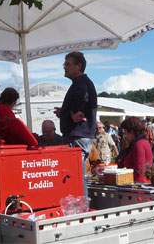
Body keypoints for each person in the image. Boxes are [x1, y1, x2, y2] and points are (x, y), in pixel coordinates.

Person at [54, 51, 97, 197]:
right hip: (78, 135)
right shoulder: (81, 83)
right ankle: (81, 208)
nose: (64, 67)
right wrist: (66, 112)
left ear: (78, 66)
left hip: (77, 136)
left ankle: (81, 210)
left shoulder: (81, 84)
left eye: (67, 64)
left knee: (75, 176)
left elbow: (80, 112)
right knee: (76, 175)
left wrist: (70, 115)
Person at [117, 117, 153, 183]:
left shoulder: (139, 144)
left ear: (132, 132)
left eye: (125, 133)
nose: (124, 136)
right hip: (139, 183)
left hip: (137, 185)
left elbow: (139, 170)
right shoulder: (143, 142)